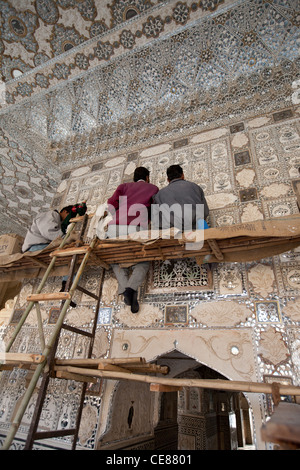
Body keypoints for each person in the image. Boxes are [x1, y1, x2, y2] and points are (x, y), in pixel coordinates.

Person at [106, 167, 159, 313]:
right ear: (147, 177)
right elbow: (156, 210)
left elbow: (111, 204)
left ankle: (126, 290)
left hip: (114, 228)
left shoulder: (123, 187)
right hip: (135, 228)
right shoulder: (153, 188)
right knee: (142, 260)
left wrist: (118, 215)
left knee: (116, 260)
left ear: (134, 178)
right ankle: (131, 289)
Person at [152, 164, 209, 231]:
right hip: (198, 229)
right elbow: (205, 212)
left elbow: (157, 220)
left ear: (168, 179)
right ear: (183, 175)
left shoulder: (159, 194)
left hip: (174, 233)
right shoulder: (195, 187)